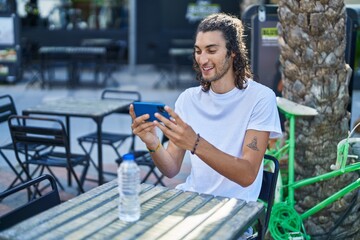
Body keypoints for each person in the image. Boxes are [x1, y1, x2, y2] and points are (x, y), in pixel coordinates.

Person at [130, 13, 282, 203]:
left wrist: (195, 143)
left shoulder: (260, 98)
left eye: (211, 50)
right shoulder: (188, 99)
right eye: (198, 51)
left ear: (232, 51)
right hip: (192, 199)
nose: (202, 59)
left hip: (236, 211)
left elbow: (247, 174)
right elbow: (171, 169)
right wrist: (153, 144)